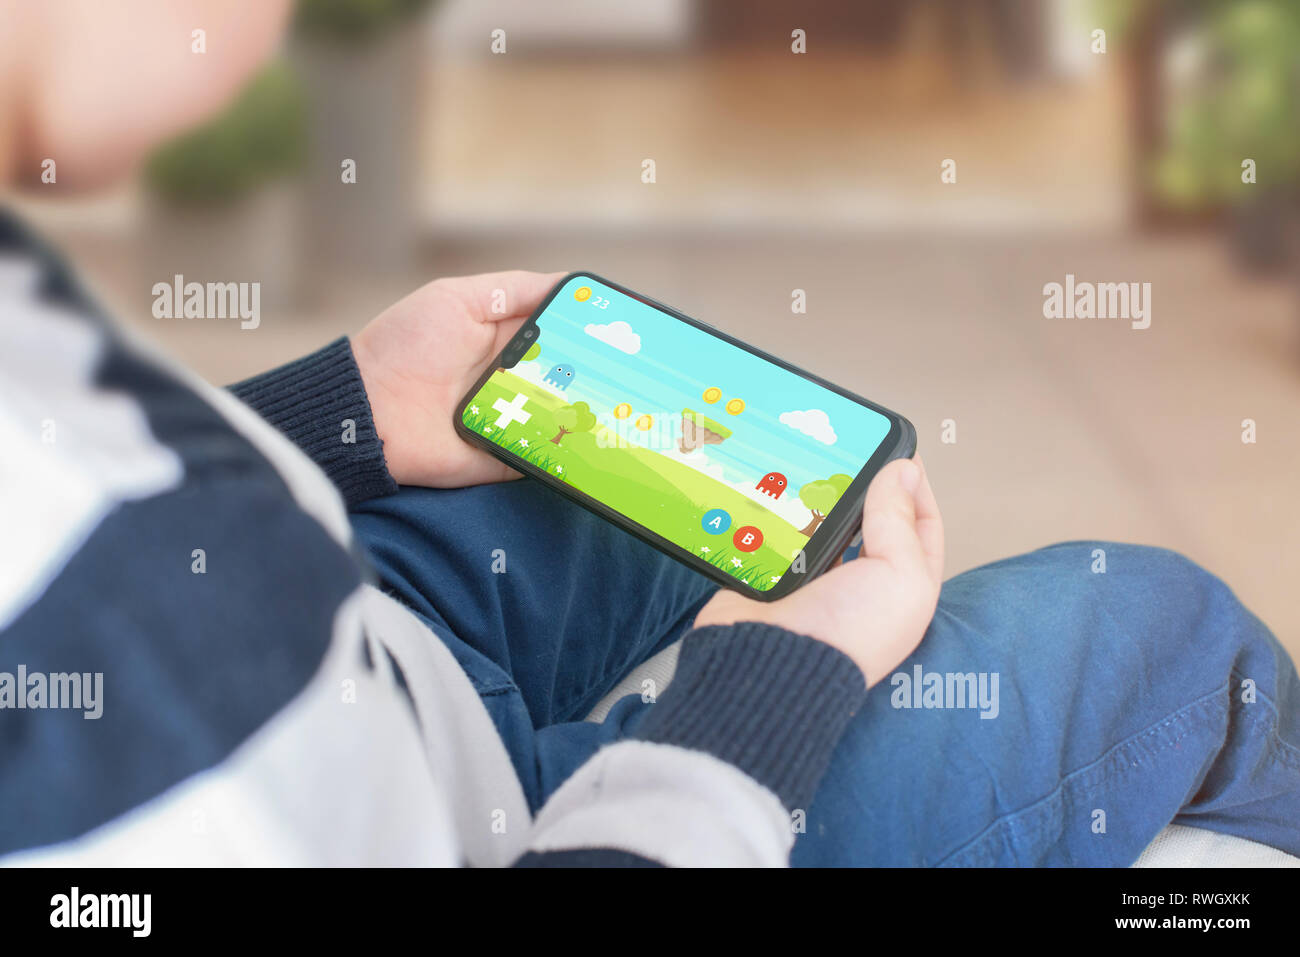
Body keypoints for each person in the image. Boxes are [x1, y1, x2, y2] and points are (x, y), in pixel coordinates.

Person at [1, 1, 1296, 867]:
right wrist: (751, 707)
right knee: (1173, 638)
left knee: (719, 477)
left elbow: (80, 478)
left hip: (356, 639)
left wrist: (337, 414)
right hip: (493, 829)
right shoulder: (141, 748)